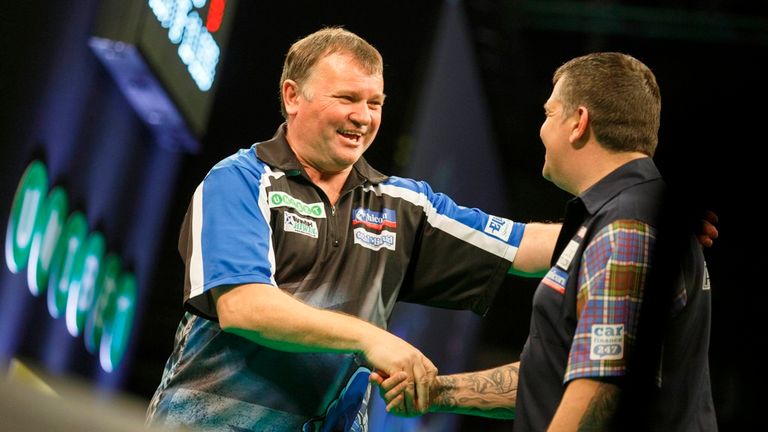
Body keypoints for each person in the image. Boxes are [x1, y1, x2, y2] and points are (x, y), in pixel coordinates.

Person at [145, 27, 563, 432]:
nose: (363, 117)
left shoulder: (404, 204)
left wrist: (617, 214)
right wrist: (370, 339)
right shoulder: (238, 180)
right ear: (293, 96)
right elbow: (244, 307)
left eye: (375, 103)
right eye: (347, 98)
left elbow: (526, 245)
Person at [373, 52, 718, 431]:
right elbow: (555, 376)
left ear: (579, 123)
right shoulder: (619, 221)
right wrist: (438, 392)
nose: (541, 129)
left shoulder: (628, 224)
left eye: (550, 114)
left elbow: (603, 386)